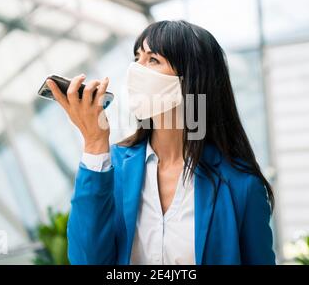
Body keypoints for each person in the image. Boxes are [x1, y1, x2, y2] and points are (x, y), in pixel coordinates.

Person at [47, 20, 276, 265]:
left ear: (192, 78)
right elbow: (86, 260)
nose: (135, 69)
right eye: (137, 58)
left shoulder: (241, 186)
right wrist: (94, 144)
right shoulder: (111, 167)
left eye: (152, 59)